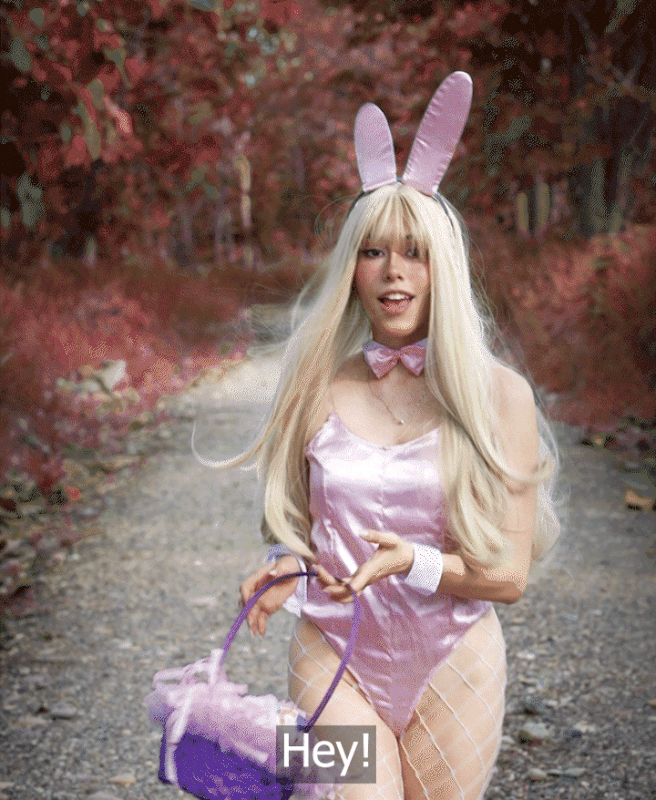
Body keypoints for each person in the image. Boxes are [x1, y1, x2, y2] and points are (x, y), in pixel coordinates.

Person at [233, 73, 560, 800]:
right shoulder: (313, 382)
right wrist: (283, 564)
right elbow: (294, 523)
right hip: (330, 652)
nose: (393, 273)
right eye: (374, 252)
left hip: (455, 659)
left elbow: (508, 577)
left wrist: (413, 561)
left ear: (444, 267)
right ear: (352, 268)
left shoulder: (500, 395)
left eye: (414, 252)